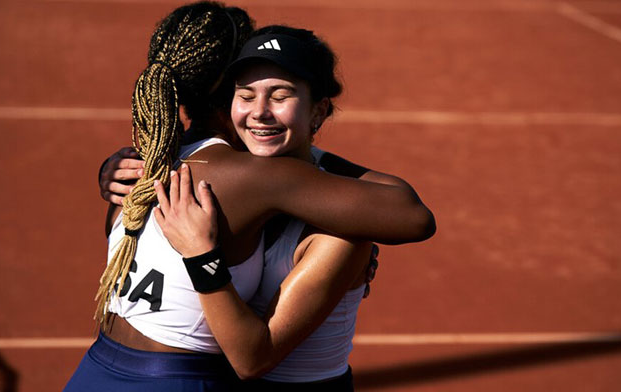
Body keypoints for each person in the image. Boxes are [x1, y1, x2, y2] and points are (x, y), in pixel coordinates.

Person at [76, 3, 435, 392]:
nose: (260, 111)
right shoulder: (262, 176)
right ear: (226, 92)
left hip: (95, 368)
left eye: (279, 94)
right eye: (245, 93)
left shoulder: (145, 162)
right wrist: (203, 258)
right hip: (182, 381)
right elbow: (412, 217)